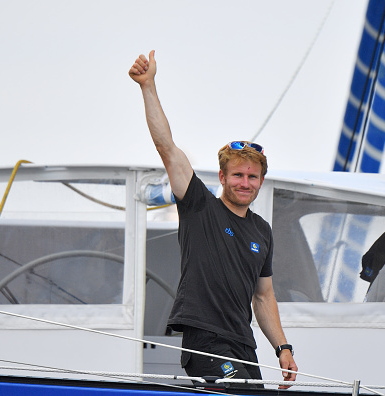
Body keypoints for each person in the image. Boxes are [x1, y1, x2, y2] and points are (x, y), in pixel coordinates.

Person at [129, 50, 298, 388]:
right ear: (222, 177)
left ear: (261, 181)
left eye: (252, 177)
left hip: (243, 344)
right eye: (237, 175)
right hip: (205, 342)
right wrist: (148, 86)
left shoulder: (262, 230)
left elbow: (263, 296)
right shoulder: (199, 207)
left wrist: (282, 347)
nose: (244, 183)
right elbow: (167, 148)